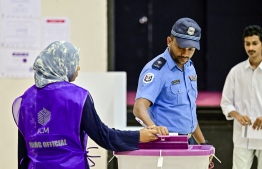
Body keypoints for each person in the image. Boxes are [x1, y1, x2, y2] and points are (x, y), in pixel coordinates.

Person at [12, 41, 158, 169]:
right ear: (62, 63)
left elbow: (22, 154)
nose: (78, 67)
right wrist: (138, 136)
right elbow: (103, 136)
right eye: (75, 62)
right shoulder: (77, 97)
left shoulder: (27, 99)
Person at [133, 17, 208, 145]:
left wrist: (203, 144)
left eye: (190, 49)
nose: (185, 54)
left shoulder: (189, 67)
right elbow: (139, 108)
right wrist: (154, 128)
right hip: (165, 142)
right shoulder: (157, 70)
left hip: (189, 141)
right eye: (181, 47)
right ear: (169, 41)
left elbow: (188, 112)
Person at [220, 25, 262, 169]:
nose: (251, 47)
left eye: (255, 43)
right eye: (247, 43)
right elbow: (225, 102)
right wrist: (237, 115)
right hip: (242, 136)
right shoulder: (236, 72)